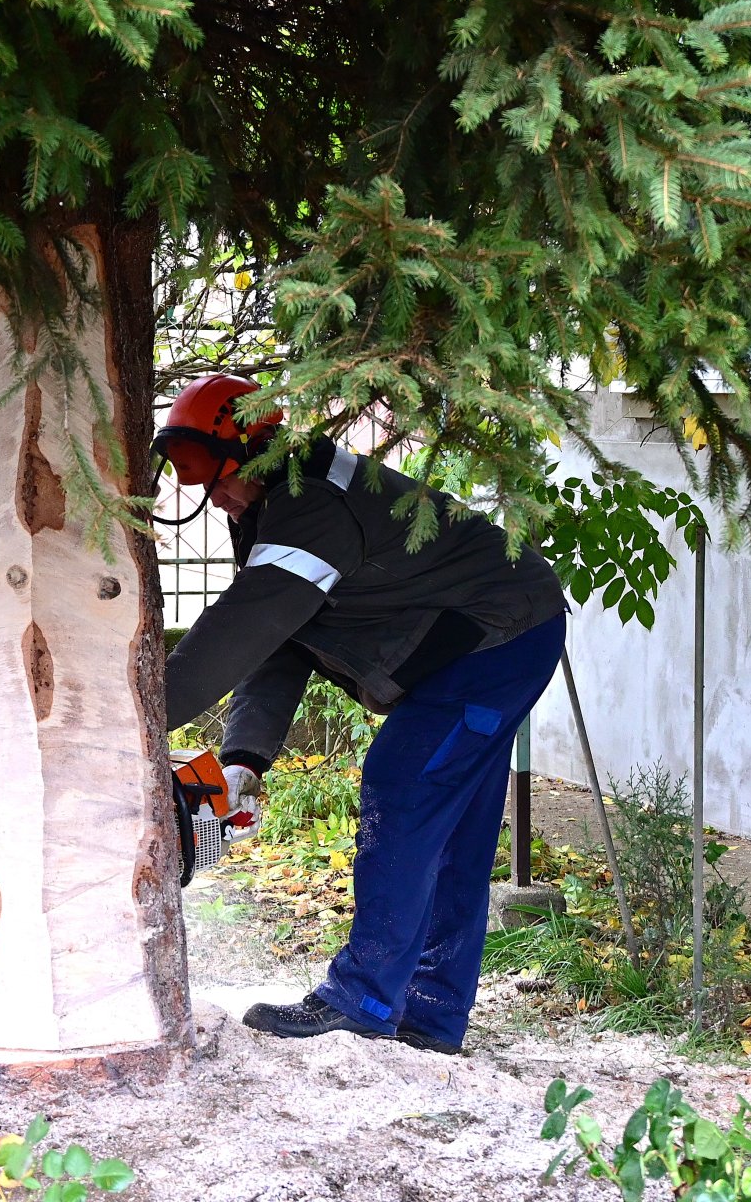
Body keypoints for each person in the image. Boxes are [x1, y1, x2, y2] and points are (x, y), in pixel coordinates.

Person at [157, 374, 568, 1055]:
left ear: (254, 452)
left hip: (498, 637)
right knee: (452, 826)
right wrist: (244, 760)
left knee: (403, 786)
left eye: (214, 477)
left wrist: (143, 714)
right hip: (495, 634)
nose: (212, 497)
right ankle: (430, 1017)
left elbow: (244, 625)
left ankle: (364, 997)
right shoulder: (270, 509)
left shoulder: (310, 504)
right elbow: (282, 640)